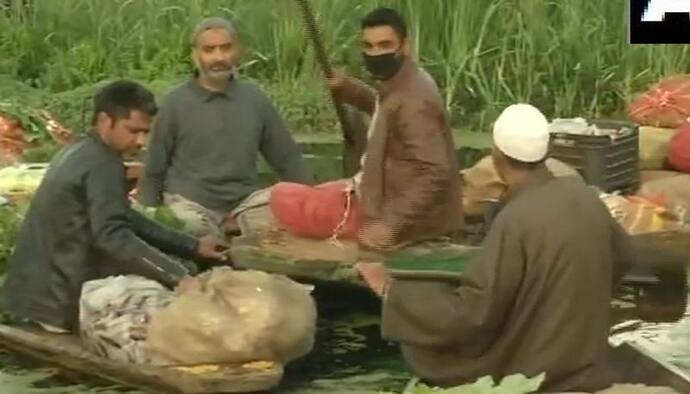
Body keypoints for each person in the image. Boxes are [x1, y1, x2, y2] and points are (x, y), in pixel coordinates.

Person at [356, 104, 637, 392]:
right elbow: (625, 257)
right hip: (583, 356)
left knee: (432, 348)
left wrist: (392, 292)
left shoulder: (516, 220)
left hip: (538, 367)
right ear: (545, 153)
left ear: (497, 157)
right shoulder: (584, 196)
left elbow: (473, 313)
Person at [0, 80, 228, 334]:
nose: (141, 141)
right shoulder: (103, 165)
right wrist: (177, 276)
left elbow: (122, 217)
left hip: (32, 299)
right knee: (179, 318)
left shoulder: (80, 150)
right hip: (60, 305)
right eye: (133, 131)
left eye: (145, 132)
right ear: (105, 121)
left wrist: (191, 246)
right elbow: (113, 236)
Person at [270, 7, 463, 250]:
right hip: (375, 190)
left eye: (384, 45)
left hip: (385, 211)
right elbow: (387, 112)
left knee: (280, 197)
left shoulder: (414, 101)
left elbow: (435, 173)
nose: (375, 53)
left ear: (405, 46)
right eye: (368, 46)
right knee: (311, 191)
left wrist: (389, 224)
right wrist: (350, 89)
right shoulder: (403, 82)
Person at [137, 17, 313, 238]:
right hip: (191, 206)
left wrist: (311, 202)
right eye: (209, 50)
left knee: (279, 216)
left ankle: (234, 231)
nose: (218, 57)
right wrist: (148, 216)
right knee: (186, 225)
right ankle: (218, 237)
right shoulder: (175, 103)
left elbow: (287, 158)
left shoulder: (254, 98)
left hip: (245, 205)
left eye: (225, 48)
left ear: (237, 51)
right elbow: (154, 166)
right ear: (195, 55)